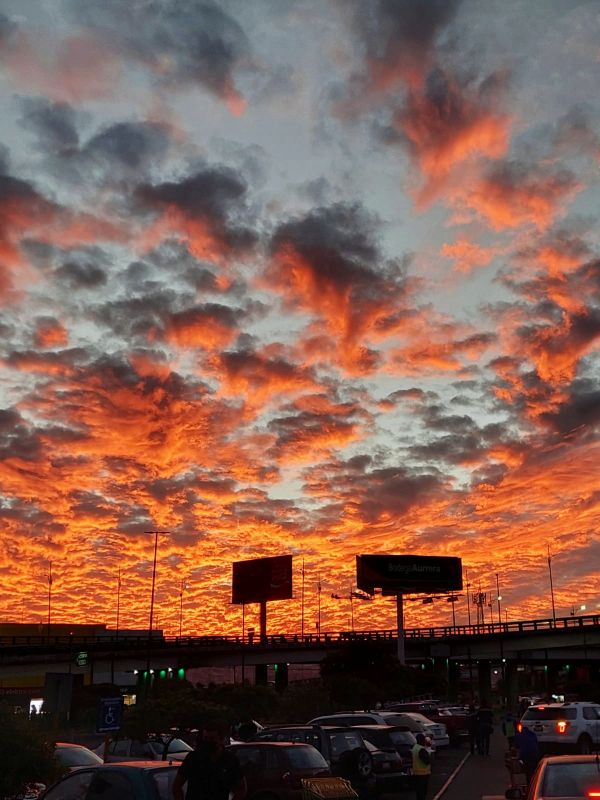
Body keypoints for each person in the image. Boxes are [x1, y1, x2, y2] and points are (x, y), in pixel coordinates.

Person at [173, 720, 247, 800]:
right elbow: (177, 785)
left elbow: (242, 788)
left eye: (212, 739)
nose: (208, 742)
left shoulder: (230, 760)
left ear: (221, 739)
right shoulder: (193, 758)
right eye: (205, 738)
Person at [411, 733, 431, 800]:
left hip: (416, 773)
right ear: (421, 740)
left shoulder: (415, 747)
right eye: (424, 739)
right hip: (423, 774)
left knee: (419, 792)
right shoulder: (421, 749)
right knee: (422, 792)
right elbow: (426, 761)